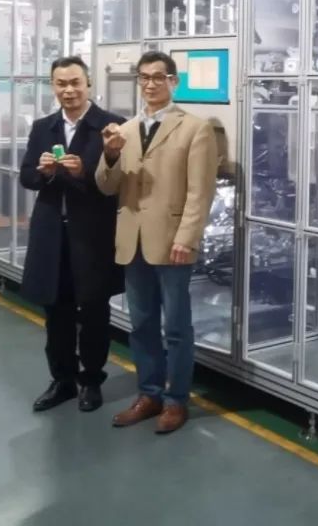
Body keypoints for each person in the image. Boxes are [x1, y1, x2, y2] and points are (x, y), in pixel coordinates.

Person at [95, 51, 218, 434]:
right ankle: (149, 394)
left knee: (176, 327)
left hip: (172, 243)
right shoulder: (125, 130)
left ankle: (176, 400)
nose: (150, 84)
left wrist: (187, 238)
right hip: (133, 241)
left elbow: (201, 192)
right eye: (144, 77)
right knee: (142, 324)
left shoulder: (195, 129)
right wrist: (110, 155)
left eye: (158, 77)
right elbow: (106, 186)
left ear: (173, 82)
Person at [18, 56, 124, 413]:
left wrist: (83, 173)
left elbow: (117, 183)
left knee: (93, 310)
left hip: (92, 235)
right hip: (52, 233)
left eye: (75, 82)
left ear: (88, 83)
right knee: (56, 311)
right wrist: (44, 172)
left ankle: (91, 380)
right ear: (53, 87)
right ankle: (62, 379)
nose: (69, 90)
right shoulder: (43, 127)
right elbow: (27, 176)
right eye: (61, 83)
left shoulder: (110, 126)